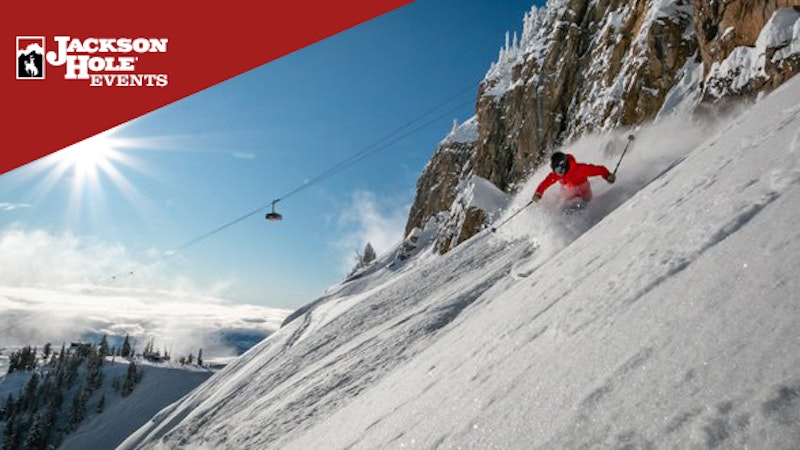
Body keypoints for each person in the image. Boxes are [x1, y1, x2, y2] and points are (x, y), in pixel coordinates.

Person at [532, 151, 615, 210]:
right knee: (563, 204)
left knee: (580, 204)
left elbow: (598, 170)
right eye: (555, 170)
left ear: (564, 166)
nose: (558, 173)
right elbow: (546, 182)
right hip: (569, 190)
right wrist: (538, 193)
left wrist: (607, 175)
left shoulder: (579, 169)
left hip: (583, 190)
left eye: (559, 170)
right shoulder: (557, 174)